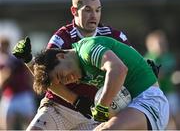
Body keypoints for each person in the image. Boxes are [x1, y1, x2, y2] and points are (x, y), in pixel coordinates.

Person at [13, 0, 132, 130]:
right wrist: (75, 100)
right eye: (88, 10)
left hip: (92, 115)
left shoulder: (113, 36)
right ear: (74, 11)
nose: (94, 15)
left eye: (97, 10)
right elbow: (45, 78)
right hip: (58, 107)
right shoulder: (62, 38)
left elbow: (129, 68)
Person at [33, 36, 169, 130]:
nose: (65, 81)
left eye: (60, 75)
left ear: (61, 56)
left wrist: (102, 106)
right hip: (132, 107)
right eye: (61, 81)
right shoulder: (79, 72)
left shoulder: (87, 50)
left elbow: (119, 69)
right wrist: (28, 61)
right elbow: (52, 86)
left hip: (149, 101)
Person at [145, 30, 180, 129]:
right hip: (158, 94)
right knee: (165, 120)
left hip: (170, 91)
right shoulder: (149, 59)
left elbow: (171, 72)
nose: (162, 45)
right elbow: (156, 76)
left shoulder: (169, 57)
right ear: (150, 45)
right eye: (159, 43)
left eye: (164, 43)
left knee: (177, 118)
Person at [0, 36, 36, 130]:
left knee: (33, 124)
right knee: (6, 127)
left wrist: (33, 85)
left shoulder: (15, 59)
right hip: (8, 96)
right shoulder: (2, 62)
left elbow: (28, 72)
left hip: (23, 94)